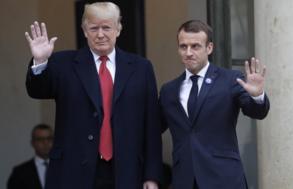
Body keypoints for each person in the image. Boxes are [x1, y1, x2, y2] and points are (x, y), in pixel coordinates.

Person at [24, 2, 162, 189]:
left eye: (106, 27)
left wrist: (151, 176)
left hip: (127, 172)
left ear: (118, 29)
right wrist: (40, 61)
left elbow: (151, 125)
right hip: (73, 172)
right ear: (84, 30)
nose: (100, 34)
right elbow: (37, 91)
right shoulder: (64, 64)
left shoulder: (141, 68)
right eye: (94, 28)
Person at [159, 20, 270, 189]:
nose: (188, 53)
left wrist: (257, 96)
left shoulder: (230, 80)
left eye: (195, 46)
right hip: (185, 180)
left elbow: (257, 112)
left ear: (209, 48)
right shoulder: (169, 90)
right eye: (183, 47)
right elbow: (153, 129)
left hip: (224, 179)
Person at [7, 124, 53, 189]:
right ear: (33, 143)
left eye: (49, 138)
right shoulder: (19, 173)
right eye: (40, 139)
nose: (45, 142)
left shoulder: (63, 169)